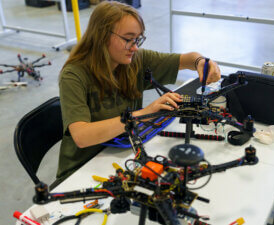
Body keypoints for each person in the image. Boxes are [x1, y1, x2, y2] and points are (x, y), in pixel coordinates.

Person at [53, 1, 221, 188]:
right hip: (82, 171)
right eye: (128, 39)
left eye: (138, 39)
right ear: (101, 37)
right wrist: (143, 114)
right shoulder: (74, 75)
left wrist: (201, 61)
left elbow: (187, 59)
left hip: (123, 153)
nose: (134, 47)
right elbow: (82, 136)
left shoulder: (134, 60)